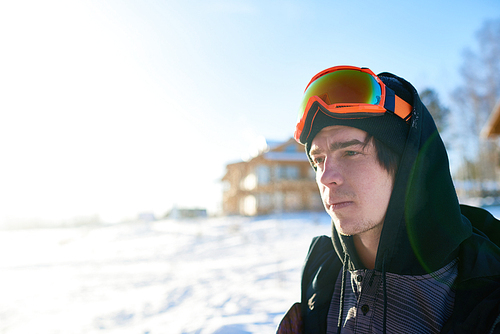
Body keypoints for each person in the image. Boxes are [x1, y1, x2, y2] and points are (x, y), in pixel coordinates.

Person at [276, 66, 500, 333]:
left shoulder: (483, 294)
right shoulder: (321, 275)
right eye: (318, 160)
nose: (326, 177)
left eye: (350, 152)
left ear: (408, 166)